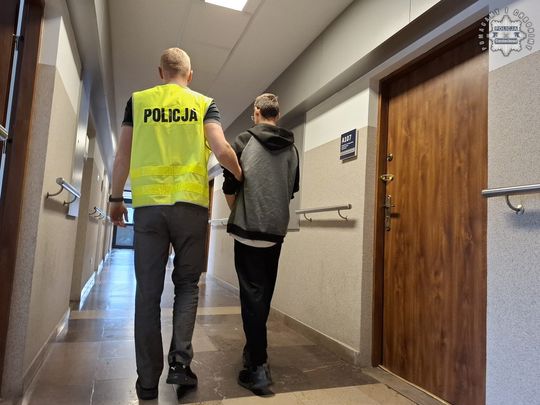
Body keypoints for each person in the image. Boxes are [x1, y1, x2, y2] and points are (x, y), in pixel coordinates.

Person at [109, 48, 242, 401]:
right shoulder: (204, 103)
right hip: (190, 208)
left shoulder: (138, 101)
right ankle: (180, 365)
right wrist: (239, 174)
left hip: (150, 208)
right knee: (186, 287)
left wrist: (115, 198)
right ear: (190, 74)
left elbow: (123, 154)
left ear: (160, 72)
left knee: (147, 293)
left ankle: (147, 382)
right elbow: (220, 148)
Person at [222, 93, 300, 393]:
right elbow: (290, 189)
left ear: (256, 112)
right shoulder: (292, 148)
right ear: (276, 114)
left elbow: (230, 185)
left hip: (248, 230)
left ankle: (258, 366)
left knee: (251, 298)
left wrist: (239, 211)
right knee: (263, 296)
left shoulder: (243, 141)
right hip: (275, 231)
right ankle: (253, 351)